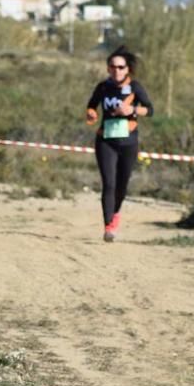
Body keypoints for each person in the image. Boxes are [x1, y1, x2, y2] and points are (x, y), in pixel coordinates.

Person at [86, 45, 154, 241]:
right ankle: (108, 227)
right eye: (113, 67)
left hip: (128, 143)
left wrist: (132, 110)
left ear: (128, 69)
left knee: (121, 186)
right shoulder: (103, 87)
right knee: (109, 183)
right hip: (105, 140)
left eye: (121, 67)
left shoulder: (135, 88)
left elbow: (150, 110)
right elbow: (91, 106)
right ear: (108, 68)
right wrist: (91, 113)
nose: (117, 70)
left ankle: (116, 213)